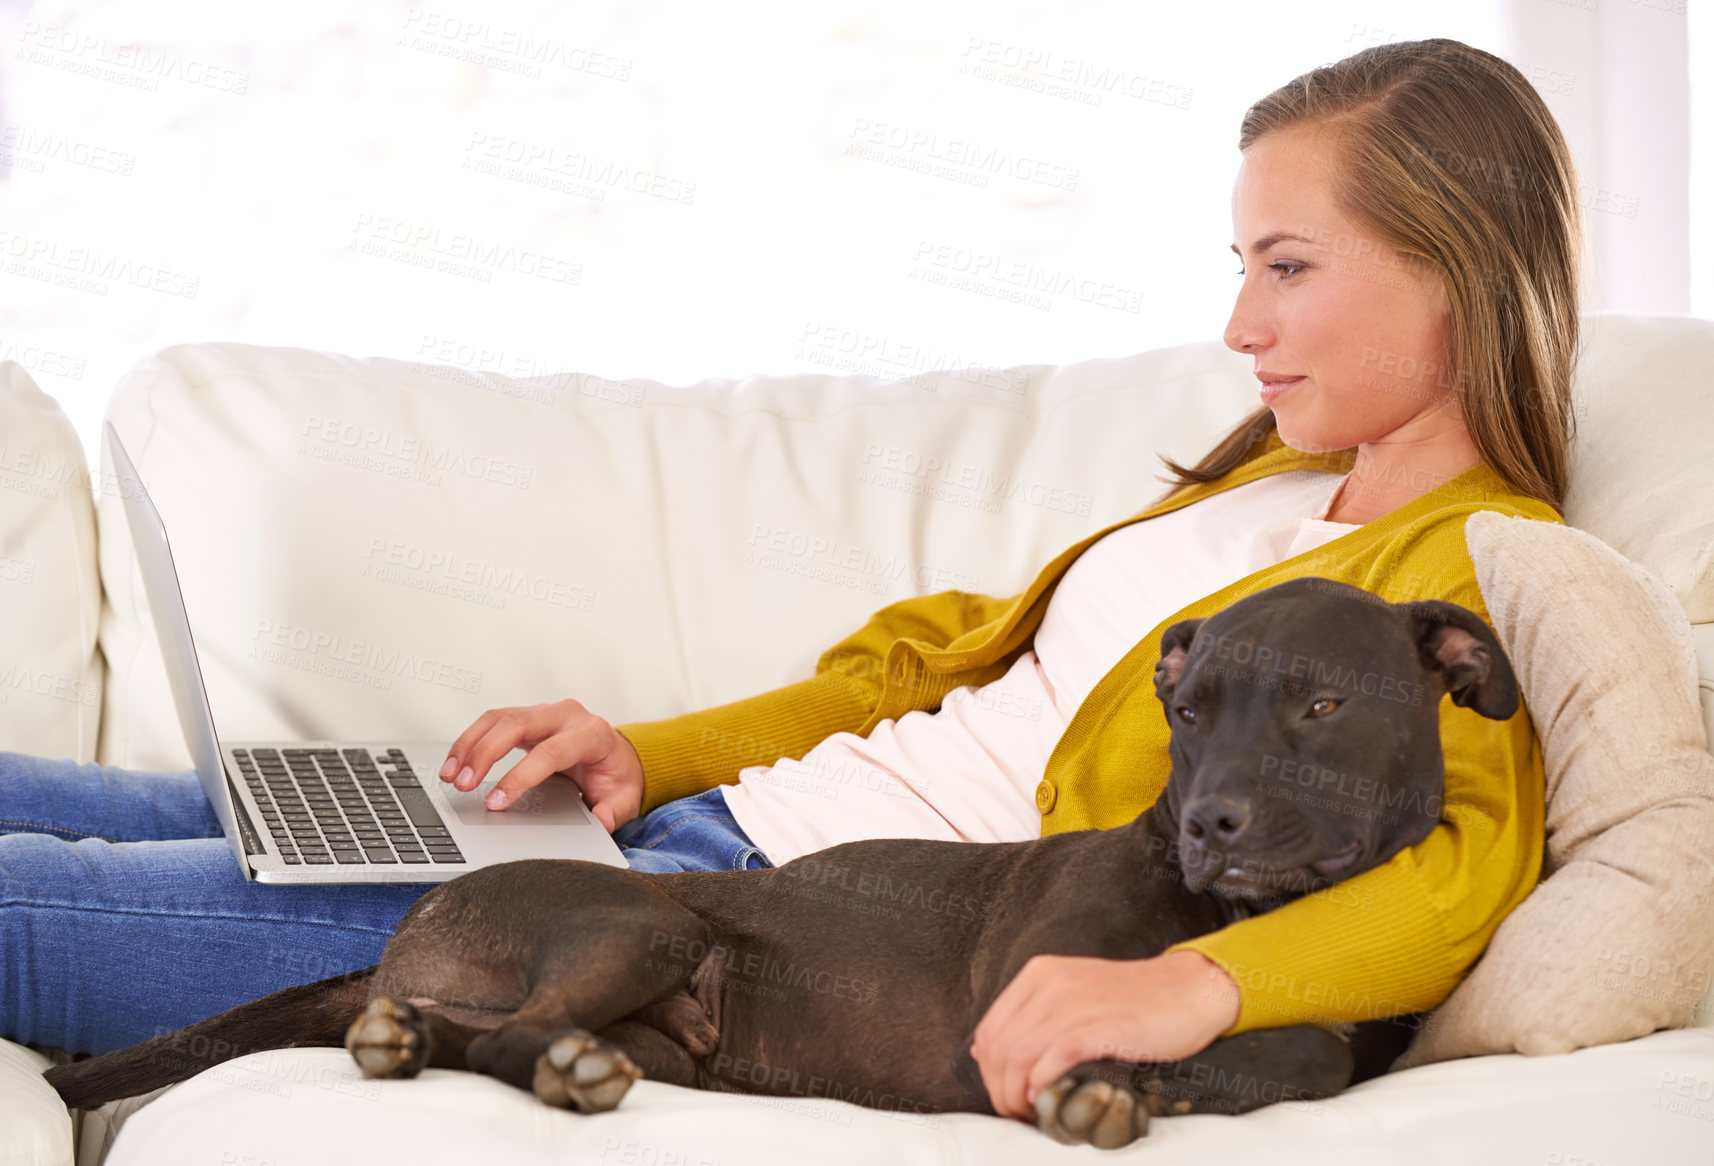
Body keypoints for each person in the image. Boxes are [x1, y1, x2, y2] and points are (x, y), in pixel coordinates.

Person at [1, 36, 1581, 1123]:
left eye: (1285, 267)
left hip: (752, 922)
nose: (1239, 323)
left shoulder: (1467, 573)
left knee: (44, 909)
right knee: (90, 798)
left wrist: (1199, 993)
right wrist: (647, 753)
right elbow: (919, 678)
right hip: (675, 833)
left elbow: (1462, 866)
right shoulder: (1270, 485)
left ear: (1457, 262)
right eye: (1237, 266)